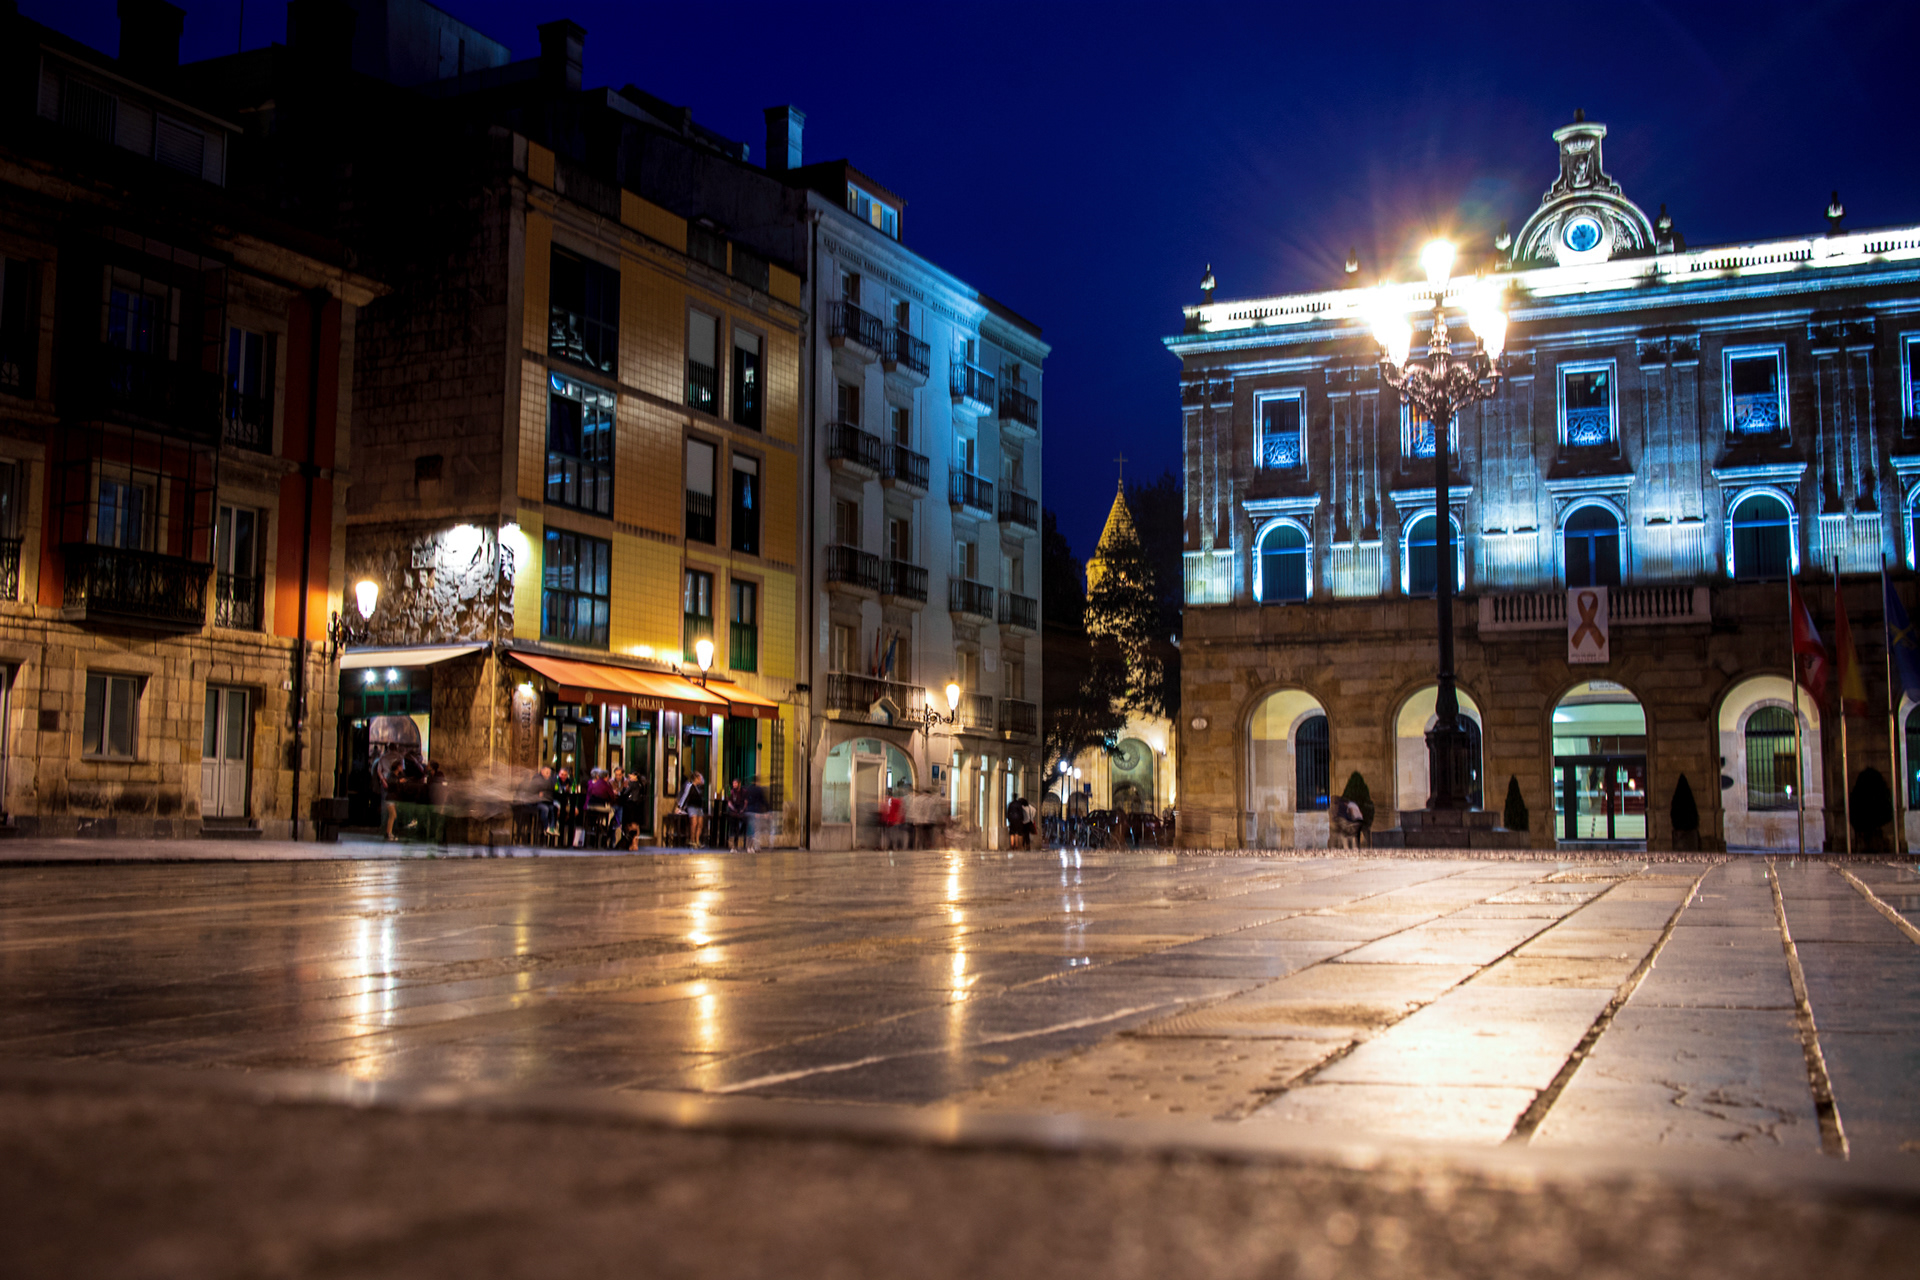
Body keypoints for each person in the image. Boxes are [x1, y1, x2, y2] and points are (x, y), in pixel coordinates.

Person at [676, 770, 707, 848]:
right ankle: (692, 840)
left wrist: (701, 781)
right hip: (692, 806)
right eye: (699, 777)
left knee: (700, 824)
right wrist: (680, 806)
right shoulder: (690, 785)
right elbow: (685, 796)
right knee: (694, 823)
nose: (701, 779)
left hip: (699, 807)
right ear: (696, 778)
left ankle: (697, 840)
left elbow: (703, 783)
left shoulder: (698, 787)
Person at [744, 776, 770, 851]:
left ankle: (749, 846)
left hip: (748, 811)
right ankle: (755, 846)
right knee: (756, 830)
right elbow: (763, 800)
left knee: (750, 829)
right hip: (756, 812)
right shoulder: (759, 790)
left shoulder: (748, 789)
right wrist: (767, 810)